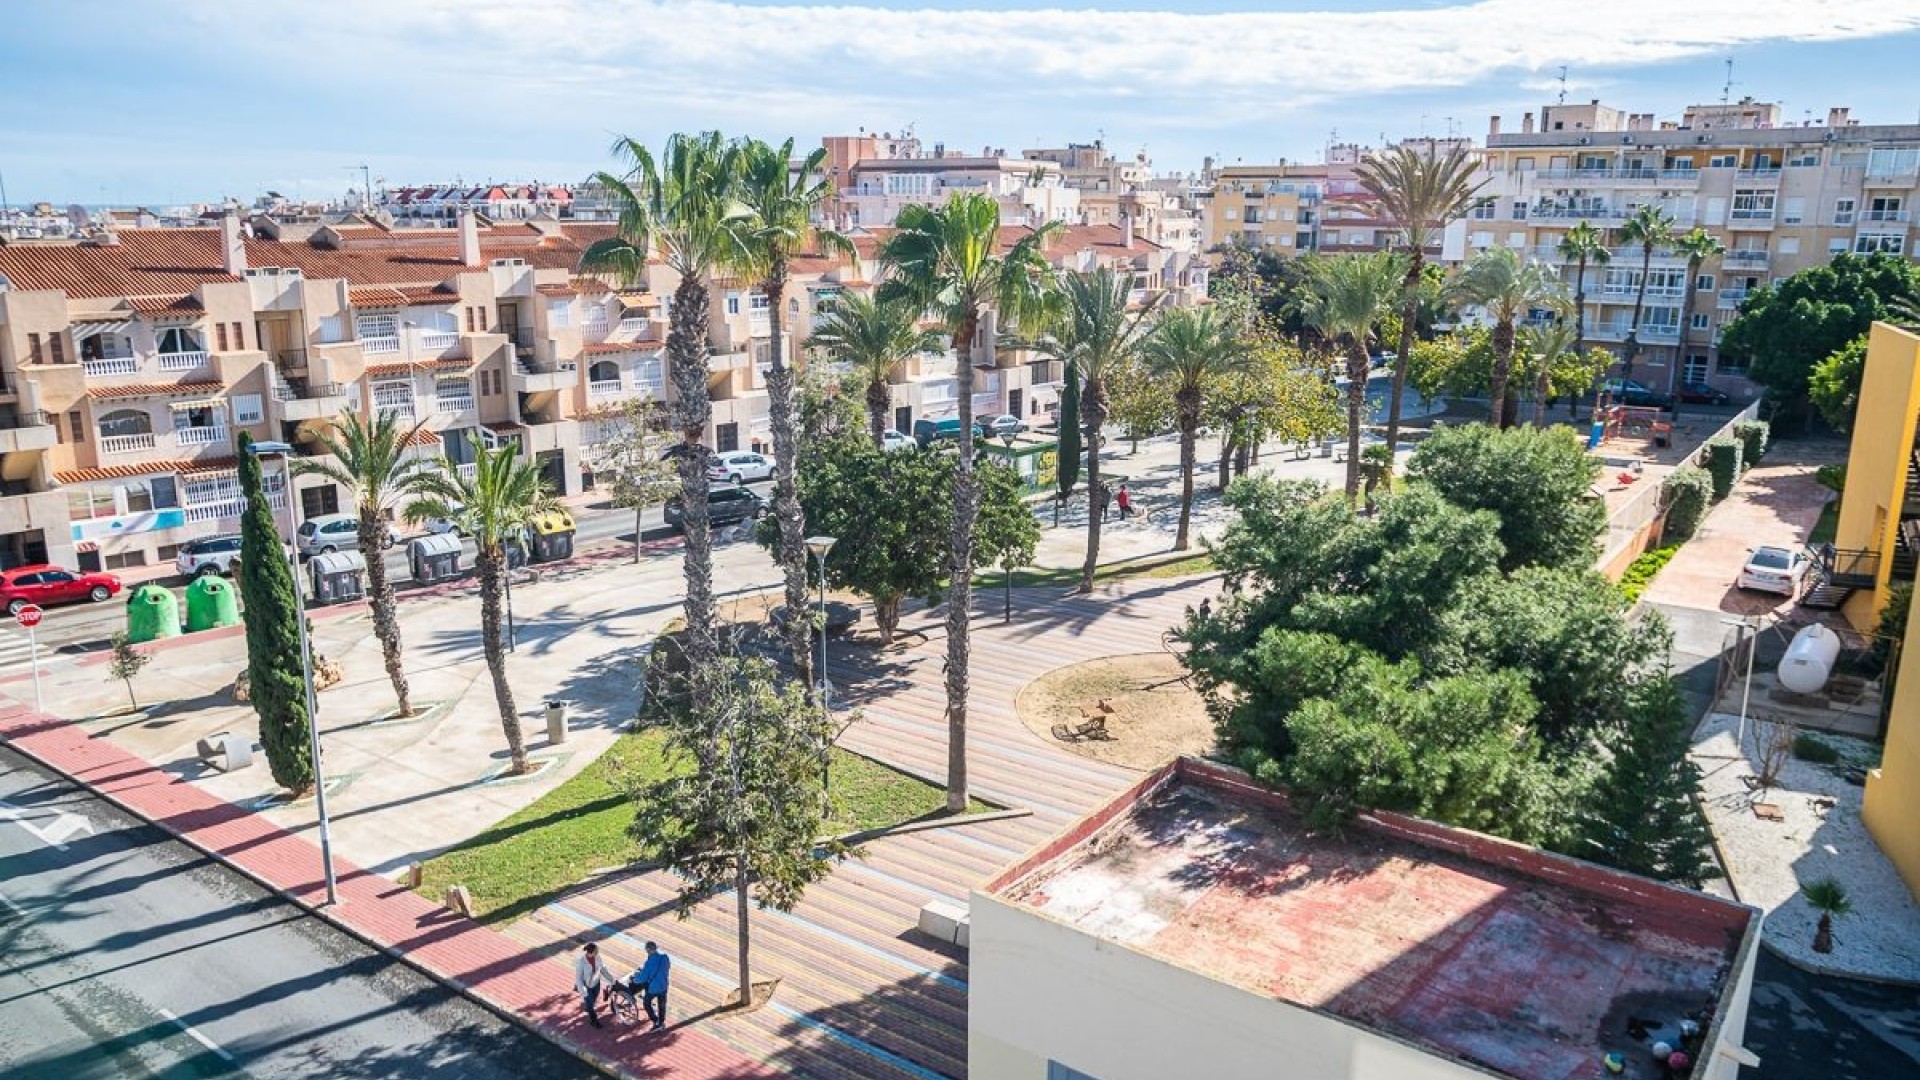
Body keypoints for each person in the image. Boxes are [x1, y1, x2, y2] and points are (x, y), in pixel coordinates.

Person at [631, 941, 672, 1031]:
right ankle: (661, 1022)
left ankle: (655, 1021)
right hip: (664, 985)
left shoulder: (649, 963)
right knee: (662, 1005)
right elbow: (668, 967)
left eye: (646, 949)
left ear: (648, 950)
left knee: (646, 1003)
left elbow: (643, 977)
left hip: (653, 988)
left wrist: (634, 978)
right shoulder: (665, 957)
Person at [575, 941, 610, 1028]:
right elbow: (578, 978)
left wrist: (611, 979)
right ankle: (594, 1021)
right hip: (586, 987)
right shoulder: (581, 962)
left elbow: (602, 967)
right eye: (596, 951)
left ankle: (588, 1007)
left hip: (596, 983)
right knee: (591, 1004)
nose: (598, 952)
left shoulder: (597, 957)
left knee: (593, 999)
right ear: (591, 952)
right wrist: (583, 991)